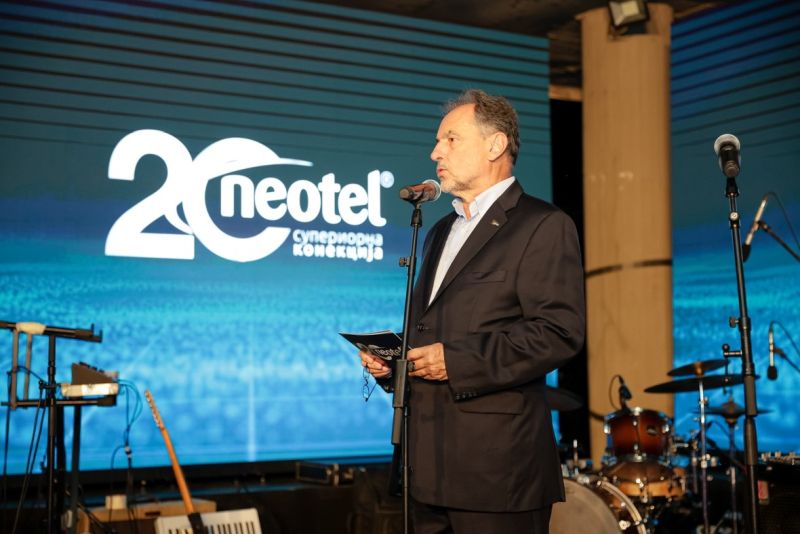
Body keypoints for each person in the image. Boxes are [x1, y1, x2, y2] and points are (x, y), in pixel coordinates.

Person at [360, 89, 585, 534]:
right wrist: (394, 366)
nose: (435, 152)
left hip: (497, 475)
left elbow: (558, 332)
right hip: (426, 470)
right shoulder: (440, 230)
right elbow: (435, 331)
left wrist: (456, 361)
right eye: (437, 141)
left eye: (451, 139)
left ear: (495, 145)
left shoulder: (542, 225)